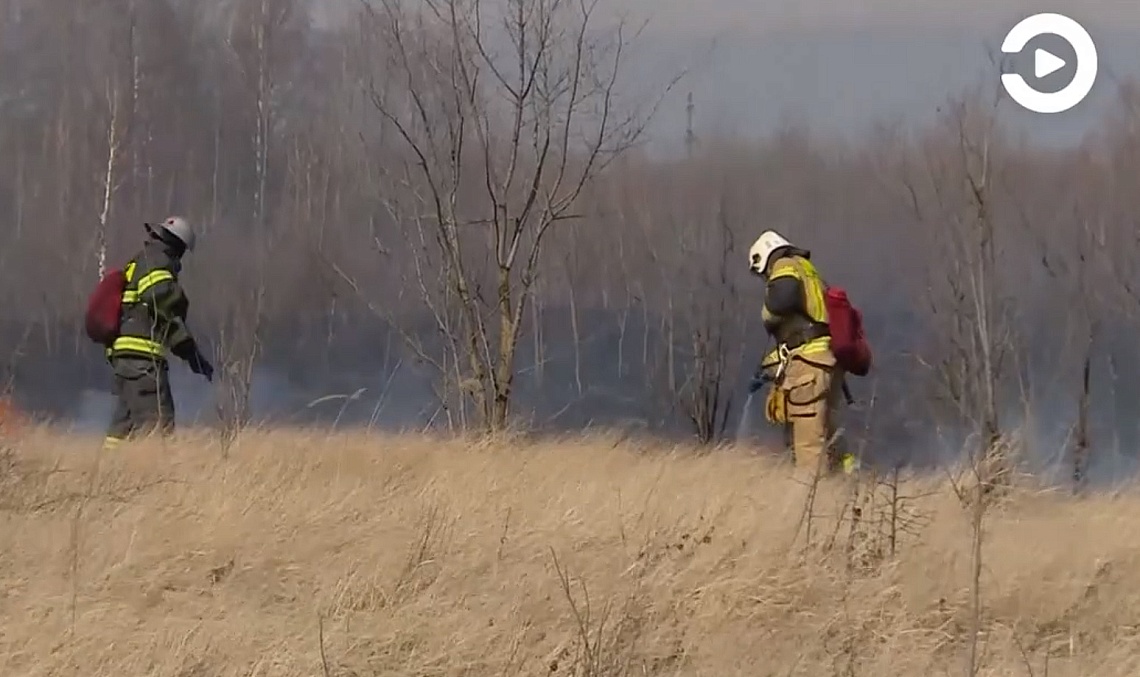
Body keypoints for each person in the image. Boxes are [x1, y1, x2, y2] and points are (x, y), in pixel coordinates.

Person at [747, 230, 855, 477]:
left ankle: (814, 508)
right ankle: (847, 489)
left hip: (809, 367)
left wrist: (768, 315)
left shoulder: (784, 265)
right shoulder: (808, 270)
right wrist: (767, 367)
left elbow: (782, 302)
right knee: (828, 436)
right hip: (826, 363)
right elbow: (804, 333)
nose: (766, 280)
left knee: (808, 446)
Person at [102, 217, 214, 450]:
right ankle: (157, 476)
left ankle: (107, 473)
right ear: (178, 247)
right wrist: (192, 355)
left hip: (125, 360)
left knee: (124, 426)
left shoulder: (139, 261)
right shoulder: (157, 263)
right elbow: (165, 305)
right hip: (142, 361)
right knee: (159, 424)